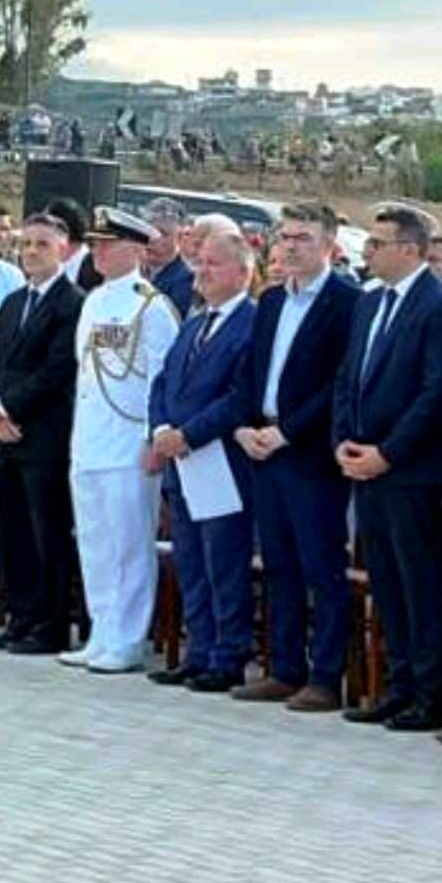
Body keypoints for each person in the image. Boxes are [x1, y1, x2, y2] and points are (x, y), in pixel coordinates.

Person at [332, 204, 442, 732]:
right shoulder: (370, 302)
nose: (367, 251)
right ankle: (399, 683)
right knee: (386, 580)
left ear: (409, 250)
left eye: (377, 243)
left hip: (410, 469)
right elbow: (349, 377)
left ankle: (430, 694)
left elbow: (436, 392)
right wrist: (345, 441)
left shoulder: (441, 306)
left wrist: (388, 453)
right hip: (364, 462)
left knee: (419, 582)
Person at [229, 203, 360, 710]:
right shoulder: (271, 301)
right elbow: (252, 371)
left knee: (321, 566)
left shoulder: (346, 302)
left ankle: (325, 676)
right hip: (264, 446)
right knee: (278, 563)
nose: (290, 246)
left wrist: (288, 432)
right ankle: (284, 668)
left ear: (329, 245)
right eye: (285, 237)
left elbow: (338, 383)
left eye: (303, 238)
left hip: (310, 454)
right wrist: (245, 425)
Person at [60, 207, 180, 672]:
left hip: (129, 439)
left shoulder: (150, 305)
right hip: (90, 438)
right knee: (95, 541)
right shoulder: (93, 300)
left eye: (108, 244)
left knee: (129, 543)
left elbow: (161, 378)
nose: (99, 252)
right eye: (95, 244)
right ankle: (102, 630)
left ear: (136, 249)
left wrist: (153, 438)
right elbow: (85, 372)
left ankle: (127, 638)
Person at [142, 231, 257, 686]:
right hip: (180, 462)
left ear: (243, 273)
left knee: (223, 563)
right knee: (191, 560)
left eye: (214, 264)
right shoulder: (194, 323)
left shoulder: (250, 323)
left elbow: (239, 395)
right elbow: (162, 382)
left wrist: (189, 434)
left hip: (220, 461)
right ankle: (200, 650)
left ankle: (228, 656)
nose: (202, 272)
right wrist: (160, 430)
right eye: (200, 262)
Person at [0, 214, 83, 654]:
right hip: (4, 437)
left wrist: (6, 408)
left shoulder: (72, 302)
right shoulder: (13, 301)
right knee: (12, 531)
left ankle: (50, 625)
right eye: (26, 244)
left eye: (42, 244)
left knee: (47, 535)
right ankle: (20, 617)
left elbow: (58, 369)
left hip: (43, 435)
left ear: (63, 249)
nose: (32, 252)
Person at [142, 198, 195, 314]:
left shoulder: (186, 281)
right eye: (148, 231)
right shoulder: (129, 269)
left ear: (180, 238)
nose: (152, 238)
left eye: (163, 234)